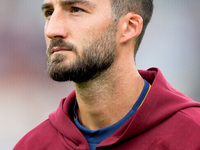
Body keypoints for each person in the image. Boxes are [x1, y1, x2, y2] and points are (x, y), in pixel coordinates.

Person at [14, 0, 200, 149]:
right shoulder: (32, 145)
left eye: (76, 9)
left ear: (129, 27)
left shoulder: (193, 135)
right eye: (49, 13)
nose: (52, 30)